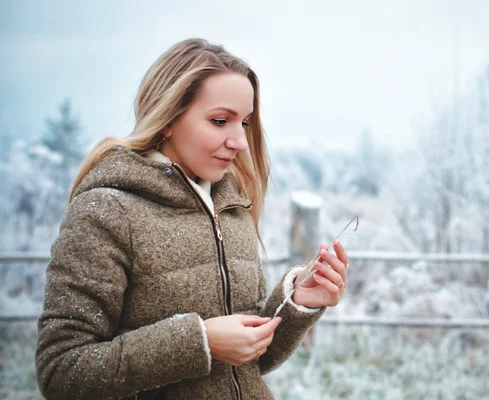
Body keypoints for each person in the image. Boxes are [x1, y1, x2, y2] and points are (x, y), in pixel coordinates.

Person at [35, 38, 350, 400]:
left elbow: (245, 365)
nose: (240, 141)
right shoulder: (107, 213)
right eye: (220, 121)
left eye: (244, 122)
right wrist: (199, 341)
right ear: (166, 118)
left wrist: (299, 301)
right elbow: (62, 372)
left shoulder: (231, 208)